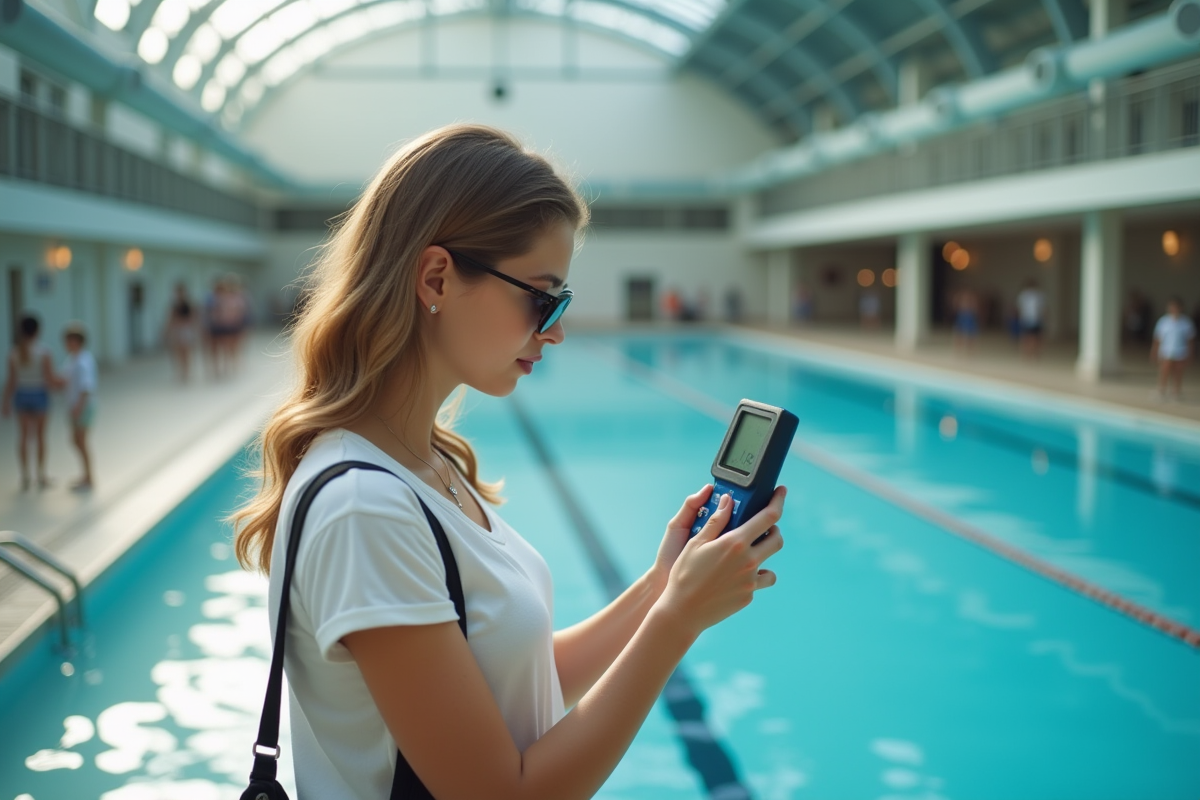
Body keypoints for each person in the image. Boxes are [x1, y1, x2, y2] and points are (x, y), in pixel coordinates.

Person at [231, 125, 785, 800]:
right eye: (541, 296)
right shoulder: (365, 509)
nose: (554, 327)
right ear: (436, 277)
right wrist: (676, 623)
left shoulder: (422, 462)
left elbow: (506, 684)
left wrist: (660, 588)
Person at [2, 313, 55, 490]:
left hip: (21, 395)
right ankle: (41, 475)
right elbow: (49, 378)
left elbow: (11, 381)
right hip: (39, 394)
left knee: (24, 437)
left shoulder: (14, 353)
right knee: (40, 437)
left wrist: (5, 401)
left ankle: (25, 475)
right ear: (38, 331)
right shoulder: (44, 352)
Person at [57, 322, 97, 491]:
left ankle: (88, 477)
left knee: (80, 441)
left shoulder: (82, 362)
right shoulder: (72, 360)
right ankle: (86, 475)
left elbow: (86, 388)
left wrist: (78, 408)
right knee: (77, 441)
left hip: (82, 407)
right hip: (76, 406)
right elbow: (63, 380)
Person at [1151, 297, 1195, 401]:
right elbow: (1158, 338)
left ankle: (1176, 392)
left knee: (1178, 372)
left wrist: (1190, 354)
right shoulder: (1163, 321)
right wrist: (1154, 351)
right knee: (1164, 371)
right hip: (1166, 350)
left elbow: (1190, 340)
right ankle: (1161, 391)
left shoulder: (1186, 323)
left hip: (1180, 351)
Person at [164, 282, 197, 382]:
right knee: (178, 352)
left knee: (186, 351)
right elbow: (170, 318)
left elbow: (193, 317)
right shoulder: (174, 305)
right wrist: (167, 330)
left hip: (185, 330)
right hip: (177, 330)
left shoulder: (188, 304)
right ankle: (181, 371)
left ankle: (186, 371)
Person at [1015, 279, 1046, 358]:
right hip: (1031, 318)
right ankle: (1031, 353)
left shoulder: (1026, 295)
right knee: (1033, 337)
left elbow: (1019, 308)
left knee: (1028, 337)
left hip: (1030, 318)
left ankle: (1028, 353)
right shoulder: (1036, 295)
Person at [952, 289, 980, 355]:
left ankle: (970, 350)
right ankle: (958, 349)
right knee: (960, 334)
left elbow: (975, 310)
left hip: (969, 317)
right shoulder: (961, 303)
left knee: (970, 335)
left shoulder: (972, 303)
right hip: (963, 317)